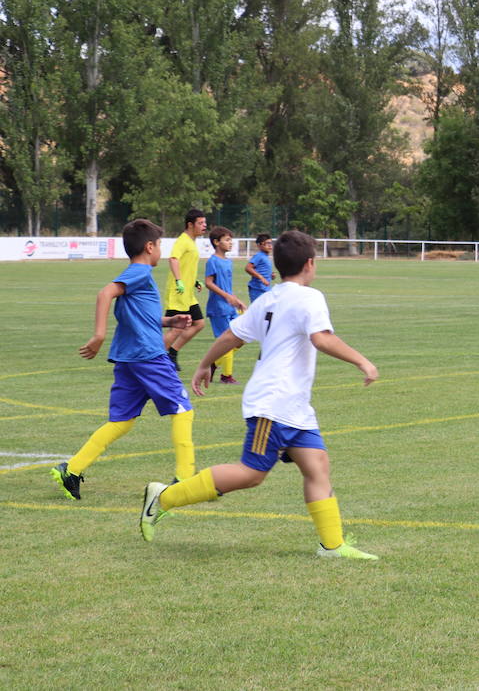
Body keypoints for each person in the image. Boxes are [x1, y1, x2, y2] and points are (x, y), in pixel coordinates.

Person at [140, 230, 381, 560]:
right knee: (252, 473)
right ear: (311, 263)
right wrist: (363, 361)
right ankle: (164, 498)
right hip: (273, 403)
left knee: (317, 466)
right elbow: (322, 339)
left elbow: (232, 335)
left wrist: (205, 364)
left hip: (294, 406)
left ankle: (332, 545)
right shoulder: (309, 298)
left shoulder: (268, 298)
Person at [50, 219, 197, 500]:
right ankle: (185, 478)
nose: (161, 252)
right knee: (183, 409)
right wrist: (99, 335)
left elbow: (140, 315)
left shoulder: (137, 276)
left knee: (122, 420)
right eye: (160, 246)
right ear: (149, 246)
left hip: (129, 358)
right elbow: (106, 293)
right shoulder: (139, 272)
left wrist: (169, 321)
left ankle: (71, 469)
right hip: (148, 356)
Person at [163, 209, 208, 370]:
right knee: (176, 329)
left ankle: (172, 352)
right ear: (190, 224)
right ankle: (153, 359)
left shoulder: (192, 241)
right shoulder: (183, 240)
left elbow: (185, 264)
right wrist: (179, 281)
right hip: (178, 293)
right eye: (201, 223)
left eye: (204, 222)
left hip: (188, 294)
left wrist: (194, 281)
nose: (204, 226)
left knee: (199, 323)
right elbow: (173, 259)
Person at [203, 226, 247, 385]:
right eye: (227, 240)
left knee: (242, 338)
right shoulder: (212, 261)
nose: (230, 243)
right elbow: (208, 283)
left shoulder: (228, 262)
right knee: (228, 341)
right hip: (218, 308)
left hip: (230, 306)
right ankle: (226, 376)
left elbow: (227, 286)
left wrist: (237, 300)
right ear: (216, 242)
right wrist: (227, 297)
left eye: (231, 240)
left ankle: (214, 363)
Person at [245, 233, 274, 303]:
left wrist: (271, 275)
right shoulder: (259, 255)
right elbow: (248, 268)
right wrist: (261, 277)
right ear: (259, 245)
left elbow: (261, 270)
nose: (270, 245)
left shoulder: (266, 257)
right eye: (267, 243)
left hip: (265, 289)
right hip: (257, 289)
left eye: (271, 243)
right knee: (257, 312)